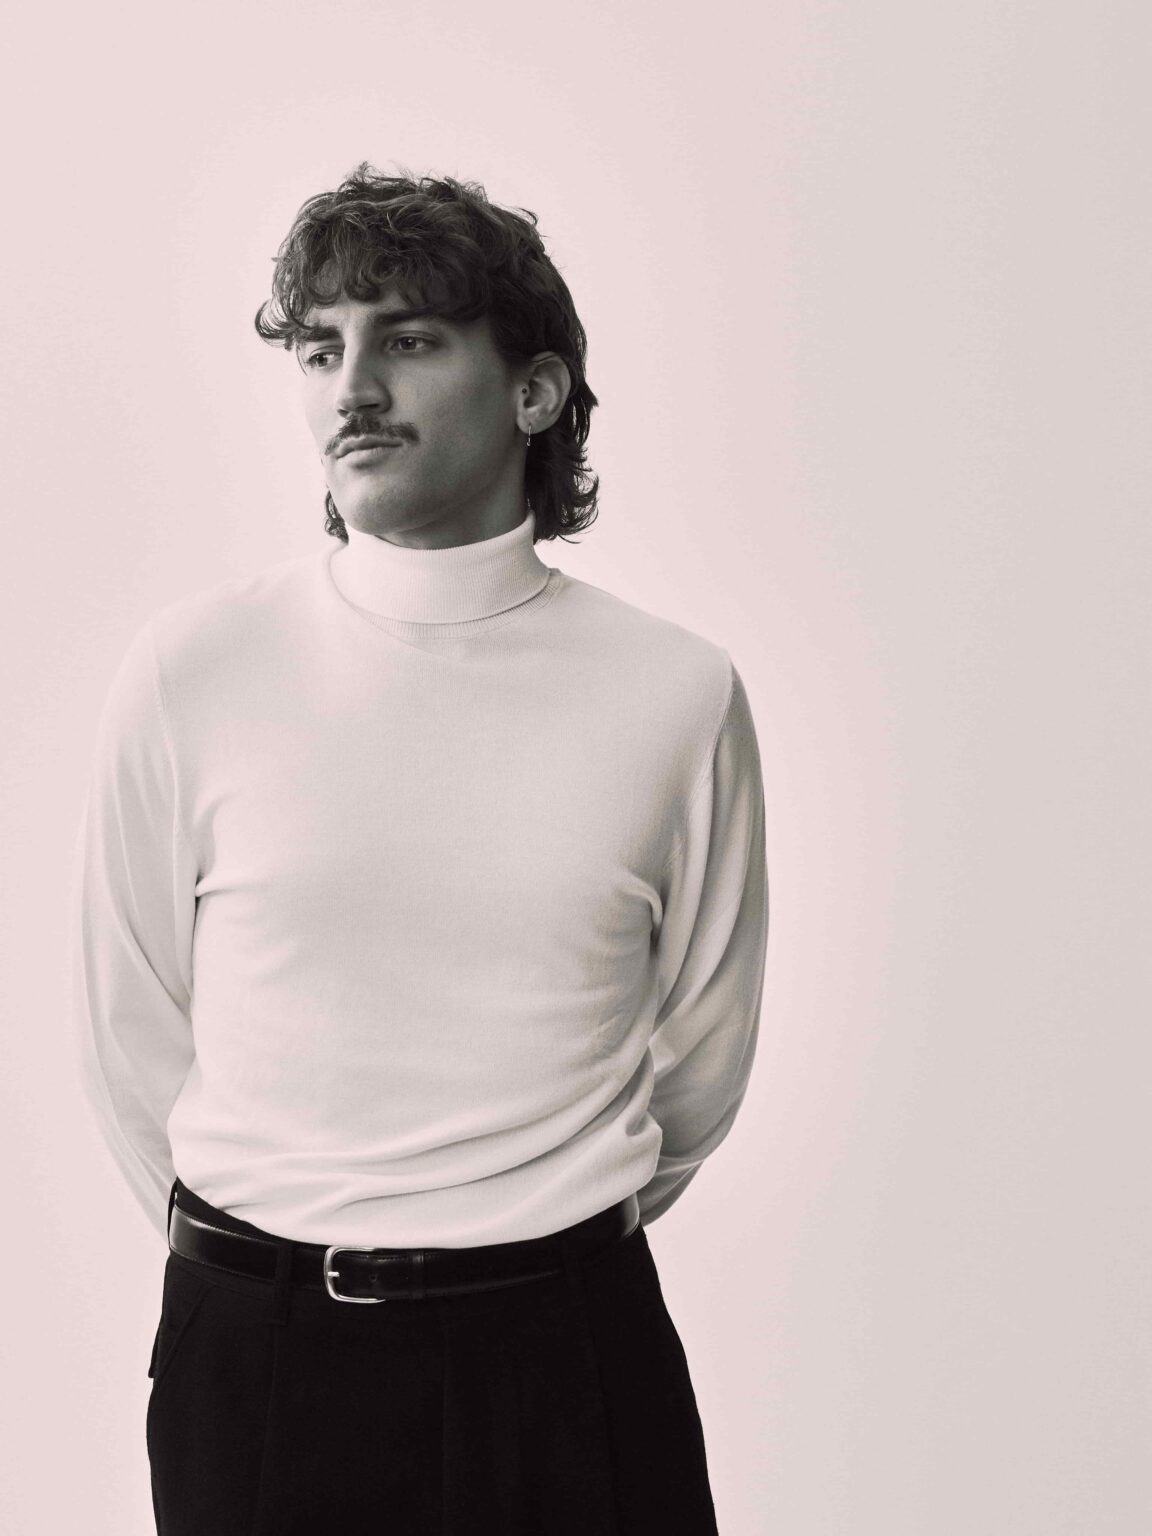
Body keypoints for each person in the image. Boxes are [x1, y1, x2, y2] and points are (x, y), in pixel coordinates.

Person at [68, 162, 770, 1535]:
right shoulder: (195, 670)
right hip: (264, 1359)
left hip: (564, 1353)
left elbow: (705, 1053)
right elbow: (127, 1027)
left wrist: (529, 1246)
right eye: (319, 348)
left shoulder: (674, 692)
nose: (352, 387)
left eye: (409, 339)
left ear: (535, 392)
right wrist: (277, 1252)